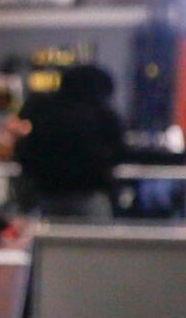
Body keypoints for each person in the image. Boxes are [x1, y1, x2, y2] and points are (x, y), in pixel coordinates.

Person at [14, 64, 125, 221]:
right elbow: (118, 152)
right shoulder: (103, 115)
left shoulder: (40, 107)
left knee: (46, 241)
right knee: (94, 242)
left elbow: (23, 145)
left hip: (45, 192)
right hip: (89, 193)